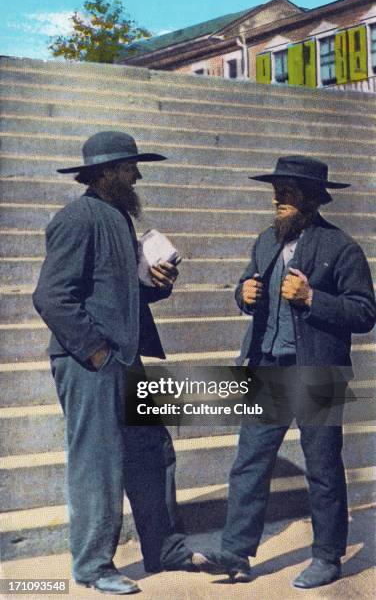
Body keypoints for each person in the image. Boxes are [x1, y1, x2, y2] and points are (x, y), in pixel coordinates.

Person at [33, 131, 206, 595]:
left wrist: (157, 281)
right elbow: (51, 296)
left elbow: (121, 291)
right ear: (107, 172)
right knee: (98, 462)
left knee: (153, 452)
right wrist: (96, 352)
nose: (138, 175)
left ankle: (164, 548)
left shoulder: (115, 217)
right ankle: (92, 566)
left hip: (124, 359)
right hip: (91, 362)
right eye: (131, 168)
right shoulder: (76, 218)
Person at [198, 155, 376, 588]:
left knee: (322, 466)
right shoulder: (265, 241)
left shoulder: (341, 248)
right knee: (250, 462)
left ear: (312, 199)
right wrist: (245, 294)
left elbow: (365, 312)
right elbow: (246, 288)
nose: (278, 197)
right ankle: (236, 553)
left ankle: (328, 556)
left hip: (316, 371)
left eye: (289, 192)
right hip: (268, 364)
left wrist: (313, 297)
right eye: (276, 190)